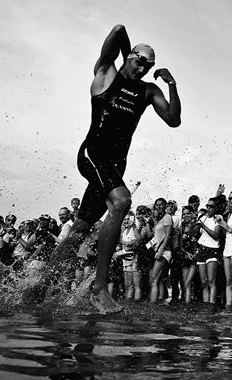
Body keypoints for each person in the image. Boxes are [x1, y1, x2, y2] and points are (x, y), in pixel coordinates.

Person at [27, 24, 182, 314]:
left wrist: (171, 84)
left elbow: (173, 119)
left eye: (148, 66)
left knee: (80, 229)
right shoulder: (106, 74)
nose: (143, 69)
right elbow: (119, 30)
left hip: (114, 165)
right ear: (129, 56)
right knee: (122, 201)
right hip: (92, 153)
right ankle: (98, 289)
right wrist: (129, 56)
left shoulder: (148, 91)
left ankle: (39, 284)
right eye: (139, 61)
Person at [196, 198, 223, 304]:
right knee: (204, 282)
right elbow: (199, 233)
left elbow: (216, 235)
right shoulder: (203, 218)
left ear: (216, 208)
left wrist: (203, 226)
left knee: (211, 281)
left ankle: (211, 304)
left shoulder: (217, 218)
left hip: (213, 250)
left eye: (211, 207)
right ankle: (206, 303)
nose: (209, 208)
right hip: (202, 249)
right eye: (207, 206)